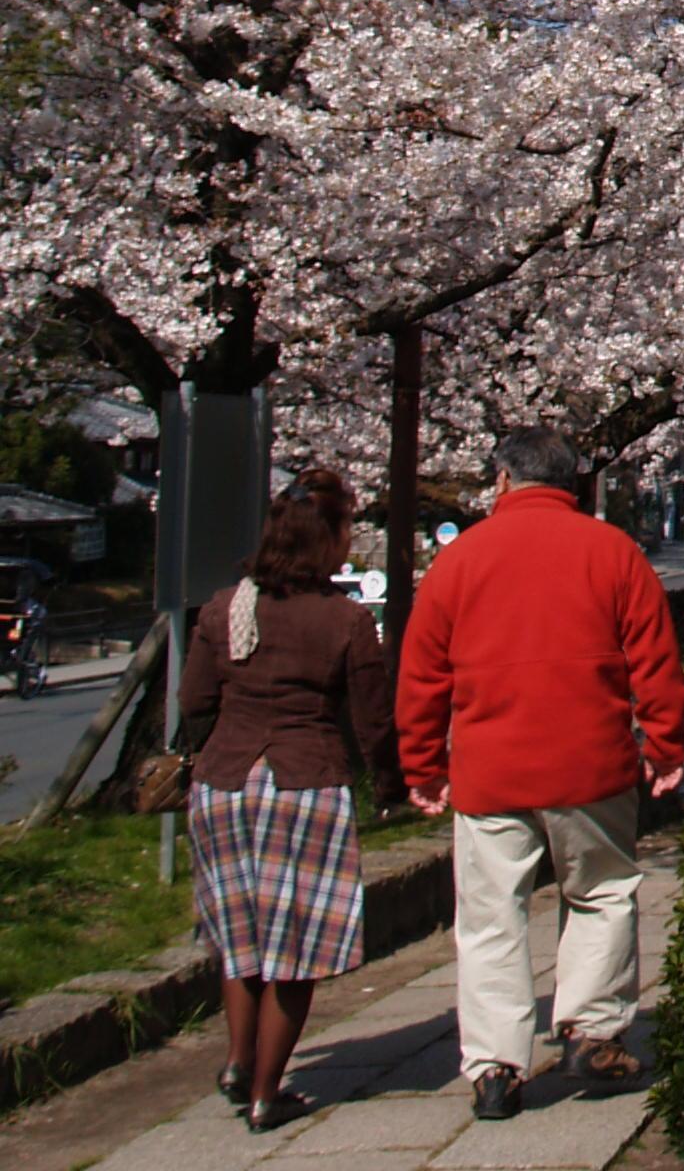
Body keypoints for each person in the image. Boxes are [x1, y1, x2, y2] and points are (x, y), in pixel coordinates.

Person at [397, 428, 684, 1125]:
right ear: (573, 483)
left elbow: (422, 674)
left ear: (502, 480)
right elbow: (655, 658)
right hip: (590, 762)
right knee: (601, 893)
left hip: (489, 767)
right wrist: (665, 745)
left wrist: (422, 764)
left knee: (490, 918)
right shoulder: (613, 551)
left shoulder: (458, 561)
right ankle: (591, 1030)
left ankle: (495, 1067)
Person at [177, 468, 403, 1132]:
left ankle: (237, 1060)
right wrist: (388, 785)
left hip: (222, 785)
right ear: (327, 538)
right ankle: (265, 1094)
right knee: (295, 946)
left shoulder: (225, 608)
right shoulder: (346, 619)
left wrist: (221, 738)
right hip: (304, 785)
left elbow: (194, 701)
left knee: (240, 933)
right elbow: (373, 720)